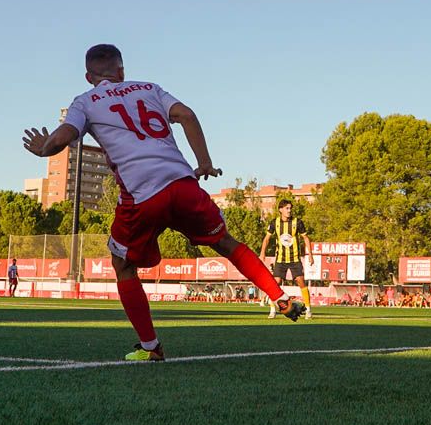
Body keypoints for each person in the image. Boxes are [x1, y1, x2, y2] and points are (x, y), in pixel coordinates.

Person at [22, 44, 304, 362]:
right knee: (226, 242)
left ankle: (150, 346)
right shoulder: (149, 88)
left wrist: (43, 148)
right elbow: (186, 115)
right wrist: (205, 162)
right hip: (183, 183)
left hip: (141, 196)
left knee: (123, 265)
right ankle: (279, 297)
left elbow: (65, 136)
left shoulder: (85, 101)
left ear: (89, 76)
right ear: (122, 71)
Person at [259, 199, 313, 320]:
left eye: (290, 208)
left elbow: (306, 238)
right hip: (280, 259)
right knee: (275, 284)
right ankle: (272, 310)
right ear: (280, 210)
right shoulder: (274, 223)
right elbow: (267, 239)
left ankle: (308, 309)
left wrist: (310, 254)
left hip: (294, 259)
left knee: (301, 282)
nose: (289, 210)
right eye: (287, 208)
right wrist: (262, 253)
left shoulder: (297, 222)